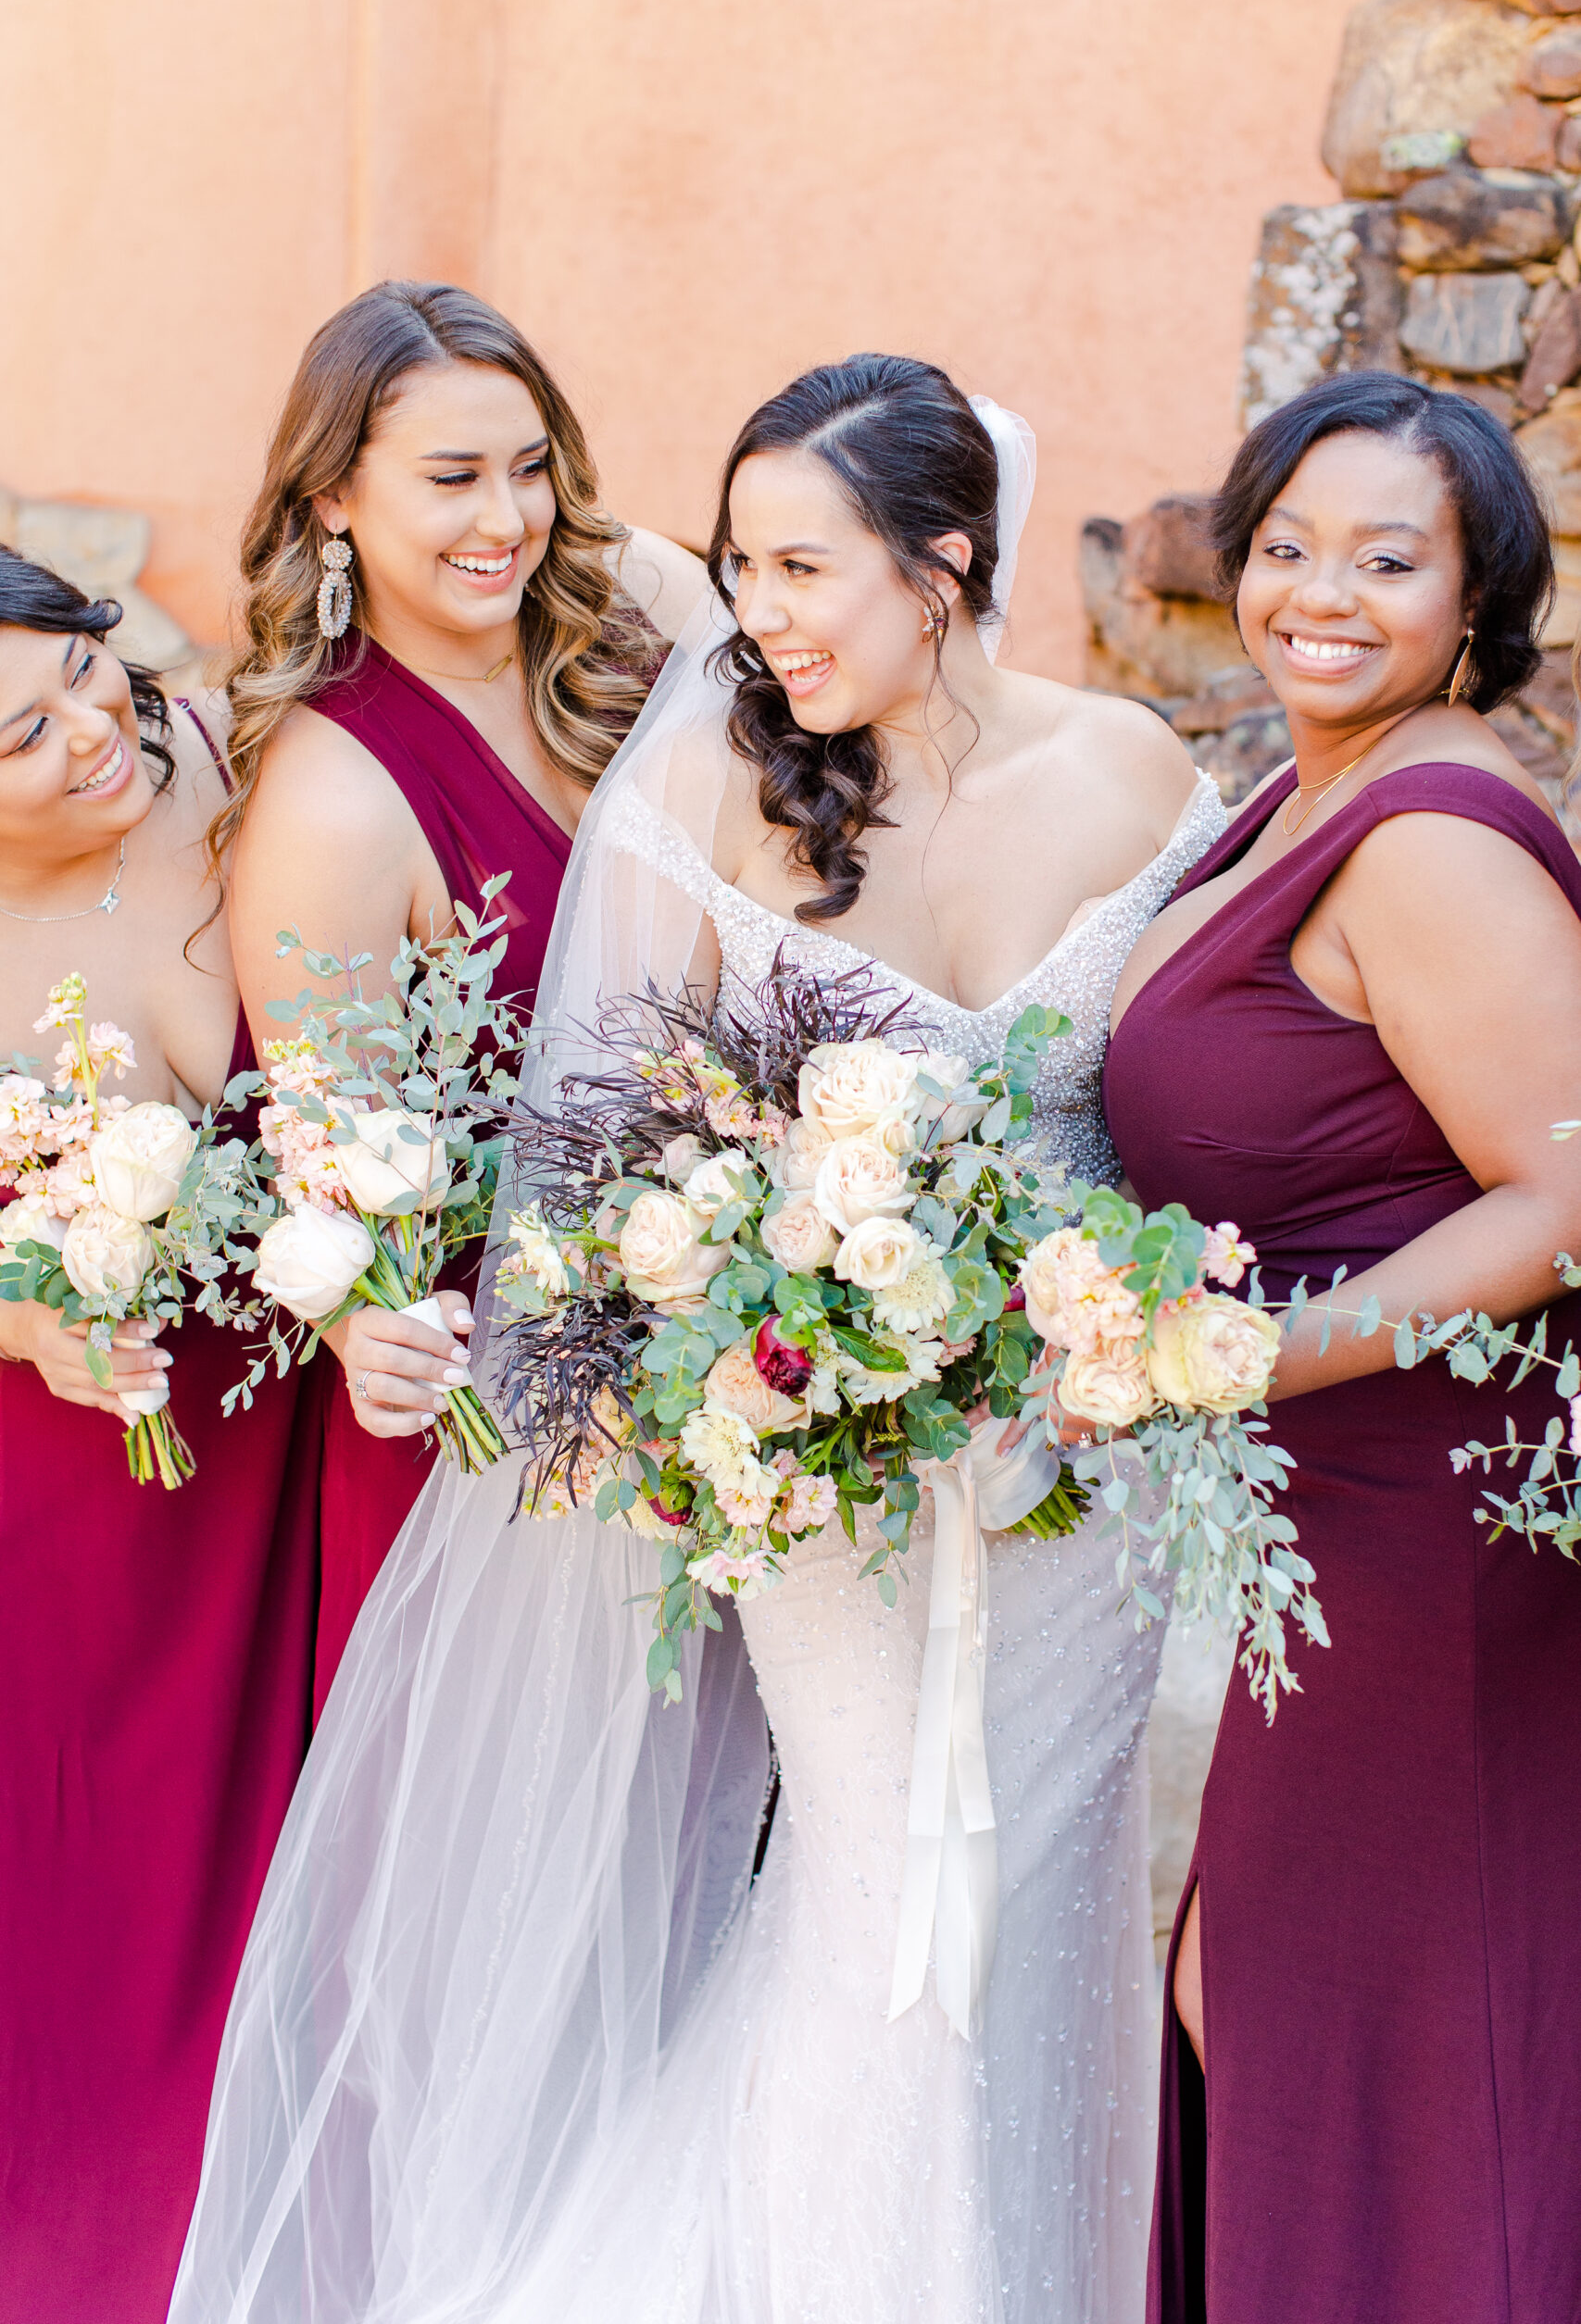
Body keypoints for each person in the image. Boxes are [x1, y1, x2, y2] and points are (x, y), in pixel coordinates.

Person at [171, 354, 1223, 2324]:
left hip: (1083, 1488)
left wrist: (1137, 1313)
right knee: (873, 1927)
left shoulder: (1140, 773)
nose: (757, 615)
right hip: (812, 1472)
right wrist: (701, 1360)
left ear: (946, 561)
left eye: (805, 566)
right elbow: (594, 1173)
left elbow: (1205, 1098)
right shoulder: (714, 786)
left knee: (1046, 1920)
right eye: (735, 563)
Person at [1104, 371, 1581, 2324]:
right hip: (1317, 1521)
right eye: (1286, 543)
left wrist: (1238, 1361)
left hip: (1418, 1531)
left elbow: (1558, 1196)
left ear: (1473, 596)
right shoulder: (1294, 794)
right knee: (1279, 2006)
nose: (1318, 590)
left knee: (1363, 2038)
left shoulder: (1430, 833)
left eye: (1386, 557)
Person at [218, 281, 705, 1712]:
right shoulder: (336, 794)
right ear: (331, 501)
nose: (508, 518)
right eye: (453, 479)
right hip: (487, 1428)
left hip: (706, 1357)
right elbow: (331, 1158)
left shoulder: (625, 636)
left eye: (531, 466)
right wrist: (365, 1319)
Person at [0, 551, 319, 2324]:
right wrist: (23, 1313)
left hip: (304, 1465)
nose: (92, 732)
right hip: (63, 1516)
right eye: (21, 737)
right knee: (80, 1938)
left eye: (85, 673)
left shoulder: (234, 757)